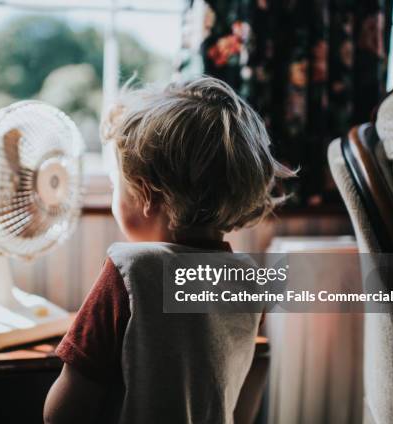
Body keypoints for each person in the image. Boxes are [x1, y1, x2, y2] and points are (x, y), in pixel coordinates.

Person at [44, 76, 294, 424]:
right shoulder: (250, 281)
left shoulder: (129, 272)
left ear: (146, 195)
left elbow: (63, 411)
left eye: (117, 185)